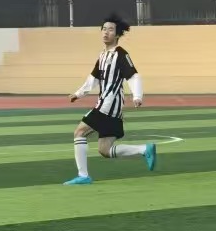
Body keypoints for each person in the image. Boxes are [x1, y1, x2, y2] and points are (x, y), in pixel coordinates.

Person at [65, 12, 156, 185]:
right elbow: (93, 79)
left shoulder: (120, 54)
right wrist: (78, 94)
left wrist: (137, 96)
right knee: (105, 150)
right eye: (104, 29)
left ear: (118, 34)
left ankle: (83, 176)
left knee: (79, 132)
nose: (106, 32)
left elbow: (133, 76)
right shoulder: (102, 55)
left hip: (108, 105)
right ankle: (144, 149)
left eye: (110, 30)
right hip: (110, 108)